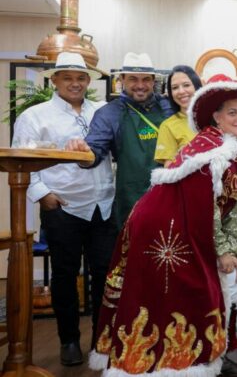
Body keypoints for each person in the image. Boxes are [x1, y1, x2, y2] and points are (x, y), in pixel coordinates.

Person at [89, 74, 237, 376]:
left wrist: (230, 250)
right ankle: (176, 364)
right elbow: (205, 209)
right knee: (189, 292)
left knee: (219, 282)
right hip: (163, 231)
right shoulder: (209, 152)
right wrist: (222, 251)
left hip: (188, 229)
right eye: (232, 112)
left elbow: (233, 213)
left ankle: (216, 354)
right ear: (216, 116)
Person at [12, 52, 115, 366]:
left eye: (81, 77)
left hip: (104, 206)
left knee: (103, 275)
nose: (75, 83)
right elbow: (22, 159)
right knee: (65, 276)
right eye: (67, 77)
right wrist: (43, 194)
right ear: (54, 80)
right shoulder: (35, 116)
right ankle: (69, 340)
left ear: (88, 81)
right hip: (62, 207)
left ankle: (102, 340)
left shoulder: (103, 111)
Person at [66, 52, 174, 230]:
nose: (140, 86)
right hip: (132, 198)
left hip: (172, 195)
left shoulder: (168, 106)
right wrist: (83, 153)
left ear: (153, 80)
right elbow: (95, 149)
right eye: (133, 79)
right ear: (122, 79)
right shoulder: (109, 113)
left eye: (146, 79)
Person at [154, 65, 203, 165]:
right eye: (175, 87)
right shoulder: (168, 126)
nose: (181, 91)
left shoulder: (215, 119)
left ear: (197, 86)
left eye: (186, 85)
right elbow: (170, 171)